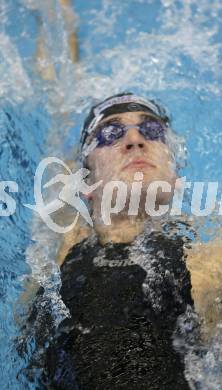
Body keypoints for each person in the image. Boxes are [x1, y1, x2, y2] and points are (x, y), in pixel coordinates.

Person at [27, 92, 198, 389]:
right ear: (86, 183)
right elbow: (56, 151)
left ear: (175, 176)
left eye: (153, 131)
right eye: (109, 134)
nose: (134, 140)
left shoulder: (214, 264)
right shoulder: (60, 251)